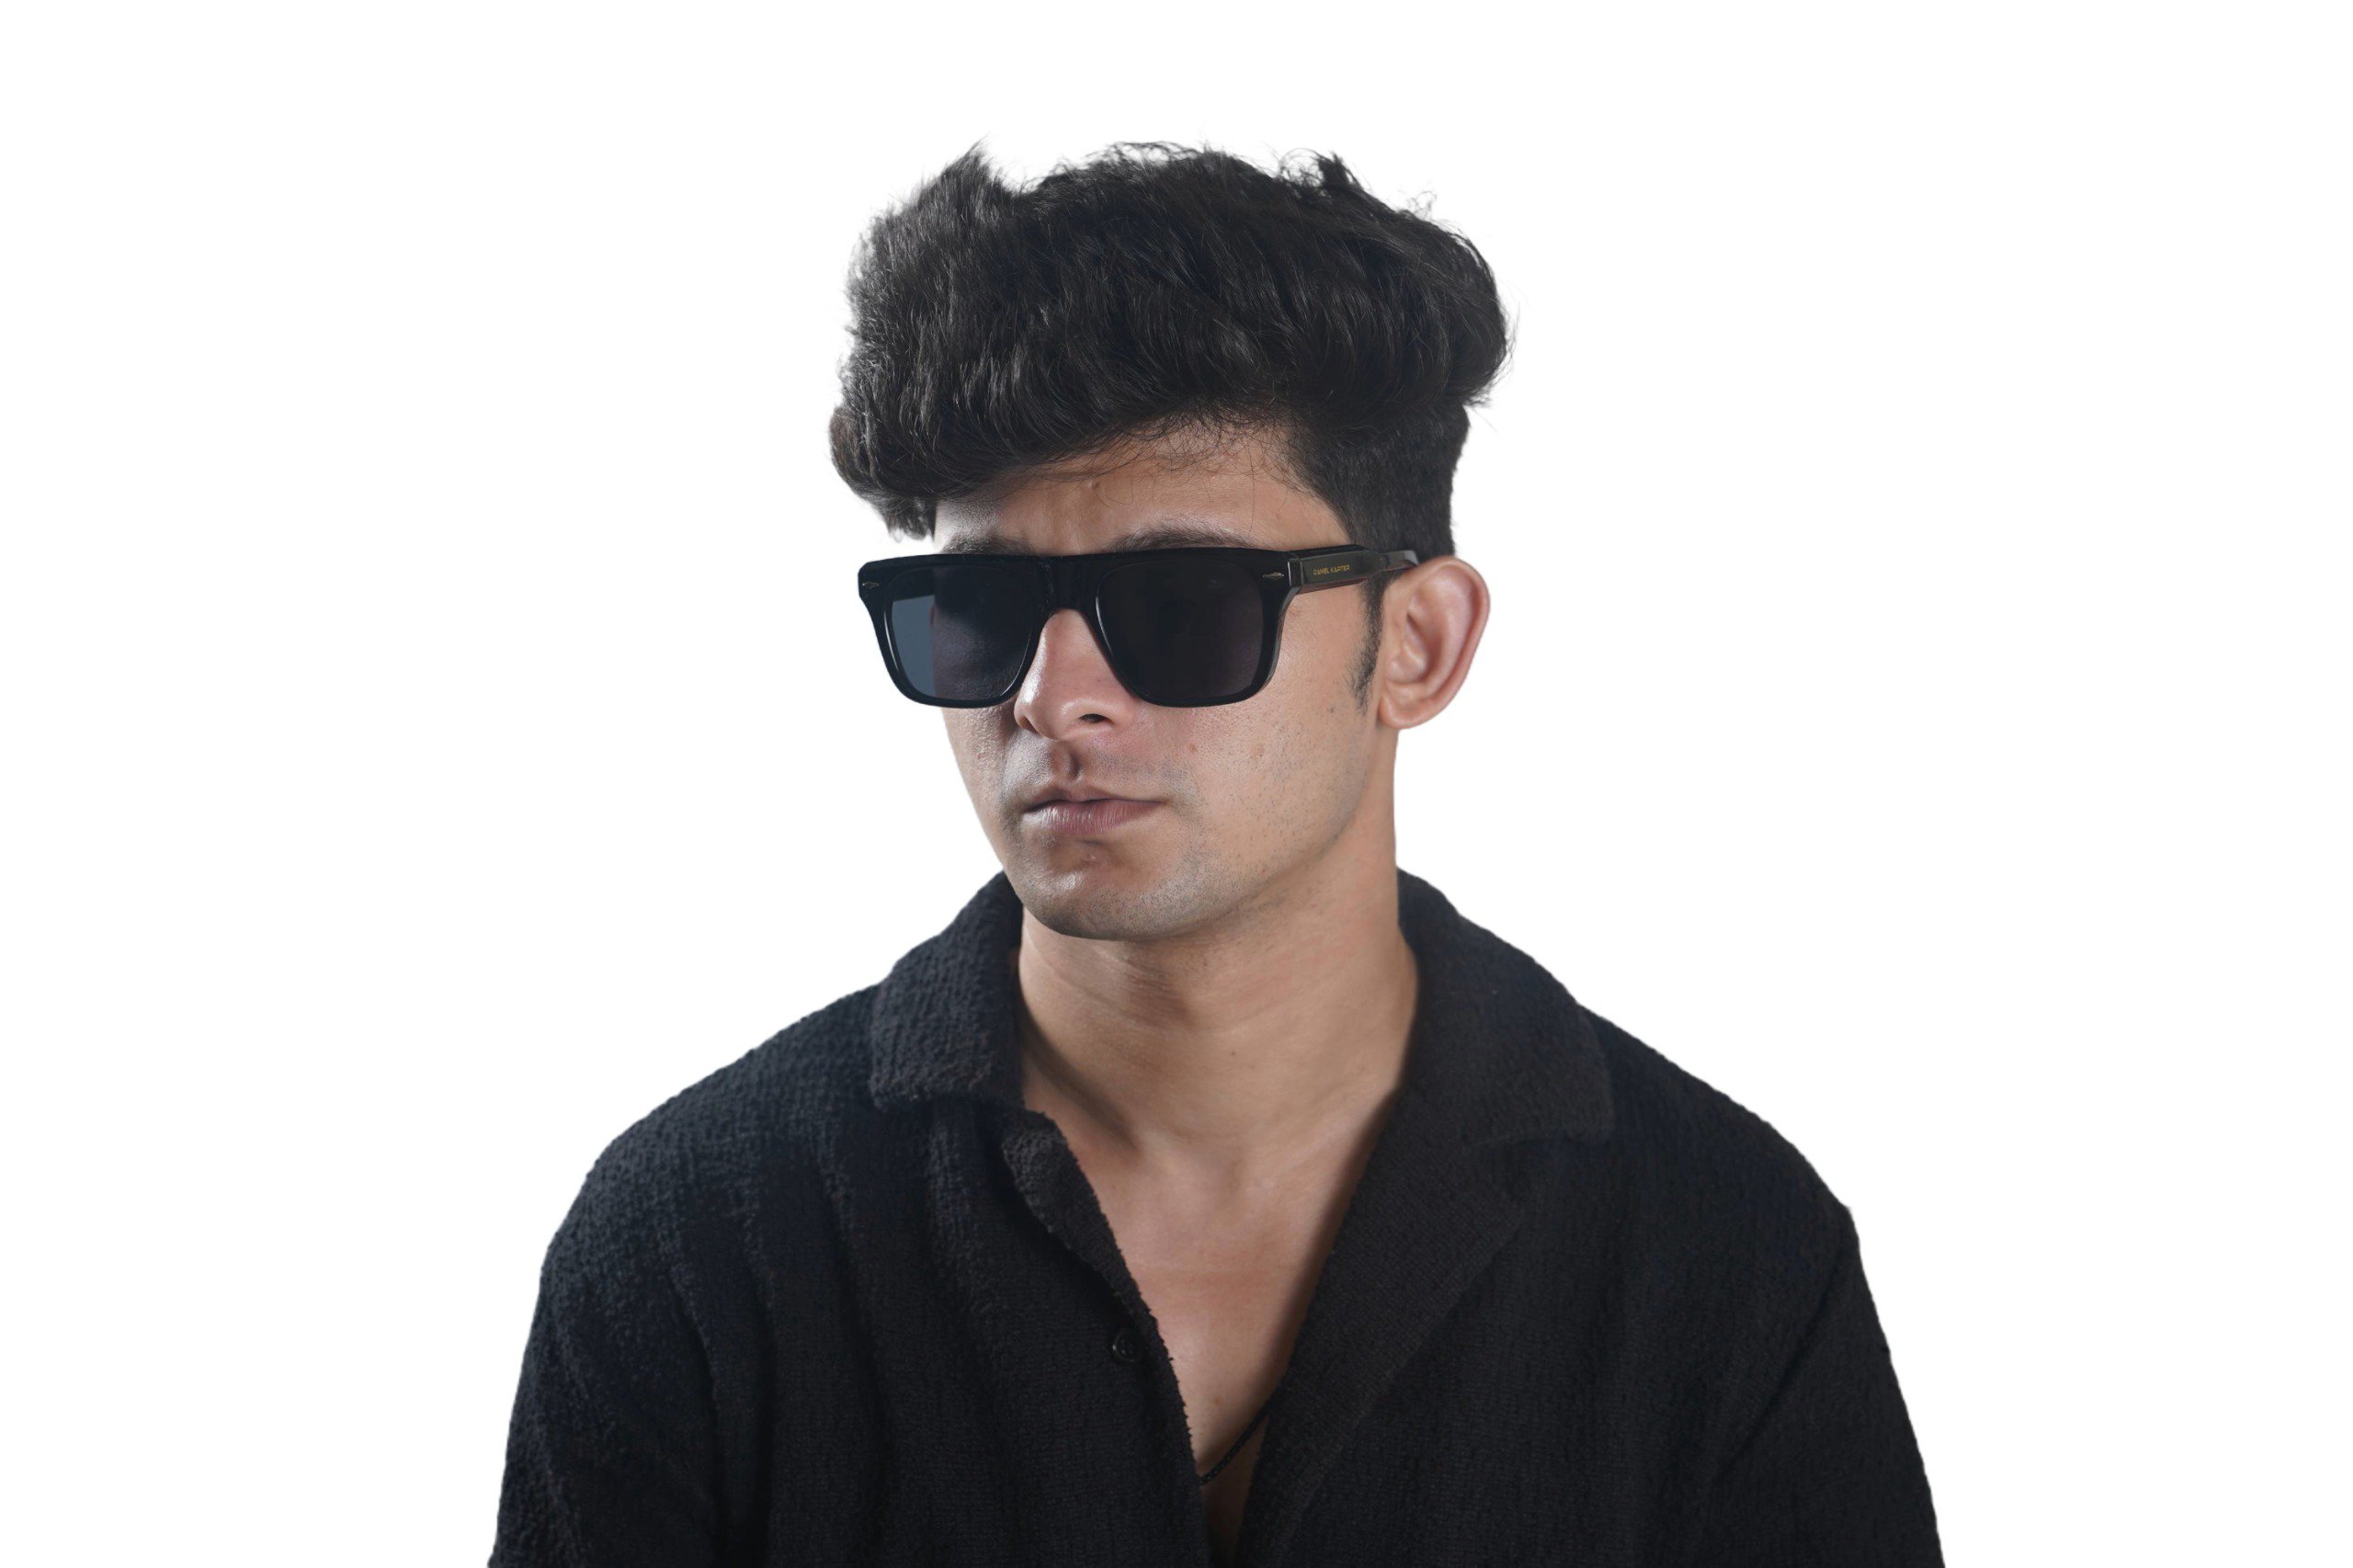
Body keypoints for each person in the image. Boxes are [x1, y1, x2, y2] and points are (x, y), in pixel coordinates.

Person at [490, 141, 1943, 1567]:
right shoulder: (697, 1246)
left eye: (1180, 602)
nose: (1050, 697)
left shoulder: (1726, 1250)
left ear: (1417, 644)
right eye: (981, 608)